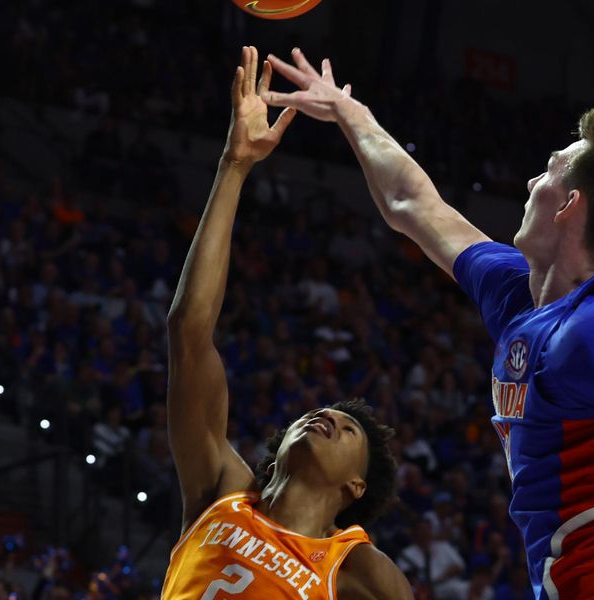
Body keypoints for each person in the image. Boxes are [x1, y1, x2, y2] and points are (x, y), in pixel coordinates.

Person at [264, 48, 594, 599]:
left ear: (568, 206)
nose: (532, 180)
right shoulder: (520, 293)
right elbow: (410, 203)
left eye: (549, 169)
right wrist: (349, 114)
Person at [161, 46, 412, 600]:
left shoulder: (359, 572)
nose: (328, 416)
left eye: (347, 430)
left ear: (356, 486)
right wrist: (235, 166)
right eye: (327, 414)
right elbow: (189, 332)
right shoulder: (220, 488)